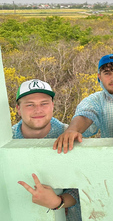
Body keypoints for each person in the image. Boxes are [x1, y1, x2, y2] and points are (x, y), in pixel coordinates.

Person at [13, 79, 82, 220]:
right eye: (30, 104)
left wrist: (58, 202)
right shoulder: (7, 139)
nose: (38, 110)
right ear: (18, 109)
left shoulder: (70, 134)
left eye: (44, 103)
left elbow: (86, 188)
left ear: (52, 105)